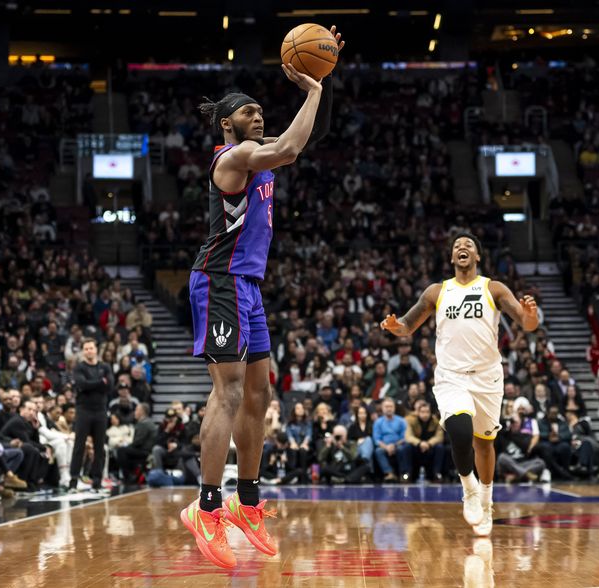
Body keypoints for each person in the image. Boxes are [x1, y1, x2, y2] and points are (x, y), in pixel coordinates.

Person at [180, 28, 344, 571]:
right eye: (250, 111)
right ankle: (206, 507)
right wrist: (312, 91)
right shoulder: (235, 155)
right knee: (226, 392)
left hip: (247, 286)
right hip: (219, 279)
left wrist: (321, 80)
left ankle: (247, 502)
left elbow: (308, 139)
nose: (259, 115)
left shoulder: (258, 154)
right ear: (228, 123)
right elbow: (291, 148)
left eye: (260, 111)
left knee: (259, 393)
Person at [381, 232, 539, 536]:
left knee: (484, 444)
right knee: (459, 430)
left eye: (469, 246)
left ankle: (487, 501)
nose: (462, 248)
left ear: (477, 256)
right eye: (457, 246)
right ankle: (469, 489)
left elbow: (526, 323)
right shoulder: (437, 292)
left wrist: (530, 315)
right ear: (453, 258)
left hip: (487, 377)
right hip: (451, 375)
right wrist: (393, 326)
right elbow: (407, 326)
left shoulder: (493, 288)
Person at [70, 338, 113, 491]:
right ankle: (73, 480)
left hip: (100, 411)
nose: (89, 351)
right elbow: (81, 384)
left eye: (91, 348)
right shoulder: (79, 367)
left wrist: (92, 384)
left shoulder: (105, 366)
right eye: (86, 348)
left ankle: (97, 481)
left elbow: (110, 386)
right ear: (83, 351)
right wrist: (100, 383)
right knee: (79, 446)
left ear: (96, 349)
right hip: (84, 410)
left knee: (99, 447)